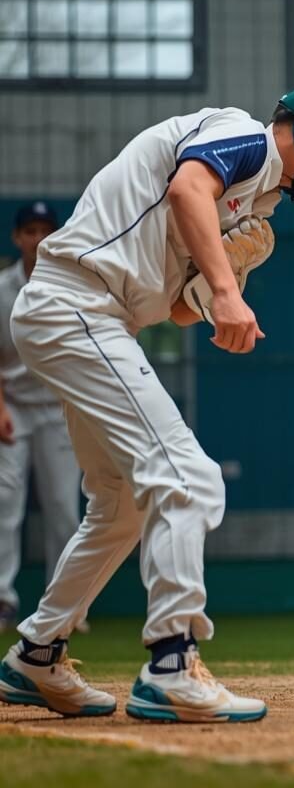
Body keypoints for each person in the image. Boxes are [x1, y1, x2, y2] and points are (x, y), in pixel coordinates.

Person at [0, 83, 294, 722]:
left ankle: (37, 654)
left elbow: (174, 310)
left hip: (93, 318)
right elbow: (185, 189)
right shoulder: (247, 138)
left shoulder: (252, 213)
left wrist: (214, 285)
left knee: (119, 507)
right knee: (190, 479)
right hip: (77, 305)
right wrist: (228, 293)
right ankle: (171, 665)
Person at [0, 203, 83, 635]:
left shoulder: (67, 284)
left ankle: (63, 607)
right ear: (17, 238)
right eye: (30, 231)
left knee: (63, 510)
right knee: (4, 505)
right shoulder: (1, 288)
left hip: (56, 409)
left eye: (45, 230)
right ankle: (3, 600)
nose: (38, 238)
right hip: (12, 409)